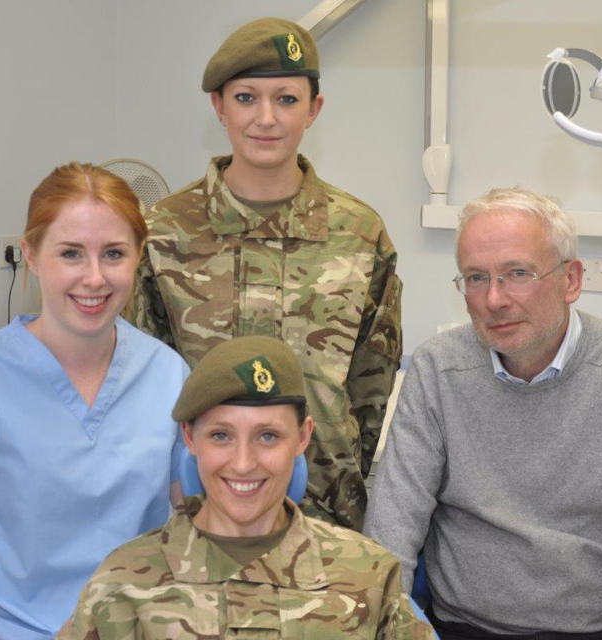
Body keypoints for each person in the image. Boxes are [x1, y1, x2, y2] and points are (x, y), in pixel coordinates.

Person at [364, 187, 602, 640]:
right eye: (476, 278)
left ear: (571, 279)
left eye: (517, 273)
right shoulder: (438, 369)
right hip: (465, 626)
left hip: (599, 630)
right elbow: (390, 534)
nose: (494, 299)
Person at [0, 163, 189, 640]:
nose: (94, 278)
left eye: (113, 254)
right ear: (31, 254)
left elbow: (196, 525)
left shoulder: (168, 375)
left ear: (138, 256)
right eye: (70, 253)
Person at [126, 17, 402, 532]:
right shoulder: (164, 231)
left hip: (327, 515)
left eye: (287, 99)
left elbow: (372, 389)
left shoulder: (360, 233)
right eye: (247, 98)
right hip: (198, 510)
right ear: (219, 107)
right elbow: (145, 380)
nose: (267, 118)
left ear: (314, 109)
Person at [56, 335, 433, 640]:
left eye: (267, 436)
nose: (242, 463)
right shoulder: (123, 585)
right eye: (221, 435)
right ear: (189, 437)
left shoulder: (367, 577)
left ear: (303, 438)